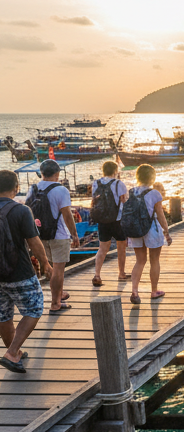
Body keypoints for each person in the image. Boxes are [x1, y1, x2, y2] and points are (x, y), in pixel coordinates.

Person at [0, 170, 52, 373]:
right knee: (34, 308)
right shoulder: (21, 210)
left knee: (3, 314)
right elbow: (34, 242)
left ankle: (15, 352)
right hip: (19, 272)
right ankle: (12, 353)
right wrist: (45, 264)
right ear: (16, 187)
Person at [27, 159, 79, 312]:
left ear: (41, 173)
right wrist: (74, 234)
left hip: (39, 235)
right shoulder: (60, 190)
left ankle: (59, 293)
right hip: (59, 235)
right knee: (58, 270)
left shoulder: (33, 188)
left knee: (50, 266)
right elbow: (67, 215)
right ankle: (56, 303)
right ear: (57, 174)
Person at [126, 164, 172, 305]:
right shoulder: (155, 194)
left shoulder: (131, 192)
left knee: (140, 261)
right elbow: (160, 215)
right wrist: (166, 231)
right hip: (151, 229)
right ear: (152, 177)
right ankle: (154, 291)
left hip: (135, 230)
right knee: (154, 260)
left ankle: (135, 291)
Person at [91, 161, 129, 287]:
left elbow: (94, 200)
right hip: (117, 220)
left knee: (102, 248)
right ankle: (121, 273)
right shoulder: (119, 184)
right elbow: (124, 201)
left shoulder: (96, 183)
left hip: (102, 220)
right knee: (121, 247)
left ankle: (97, 274)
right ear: (115, 171)